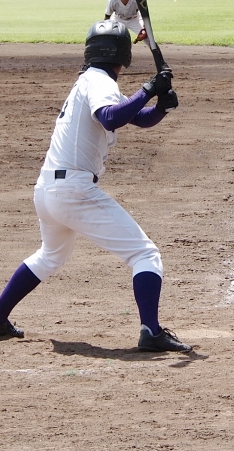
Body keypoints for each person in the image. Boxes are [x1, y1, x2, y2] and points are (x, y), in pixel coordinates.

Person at [0, 20, 191, 353]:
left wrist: (159, 107)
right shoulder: (99, 82)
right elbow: (110, 117)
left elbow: (136, 117)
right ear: (122, 55)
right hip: (73, 191)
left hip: (49, 190)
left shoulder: (91, 80)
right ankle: (151, 331)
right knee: (145, 254)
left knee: (49, 256)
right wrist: (148, 88)